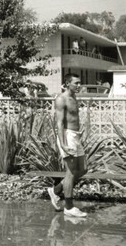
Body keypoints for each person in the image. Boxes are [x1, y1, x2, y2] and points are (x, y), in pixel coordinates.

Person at [47, 73, 88, 218]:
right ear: (67, 83)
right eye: (76, 83)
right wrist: (63, 144)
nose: (79, 85)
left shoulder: (74, 97)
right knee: (70, 173)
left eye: (79, 83)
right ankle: (69, 207)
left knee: (83, 169)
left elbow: (73, 117)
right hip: (67, 136)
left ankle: (56, 190)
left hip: (75, 135)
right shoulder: (61, 99)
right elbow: (59, 124)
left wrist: (79, 132)